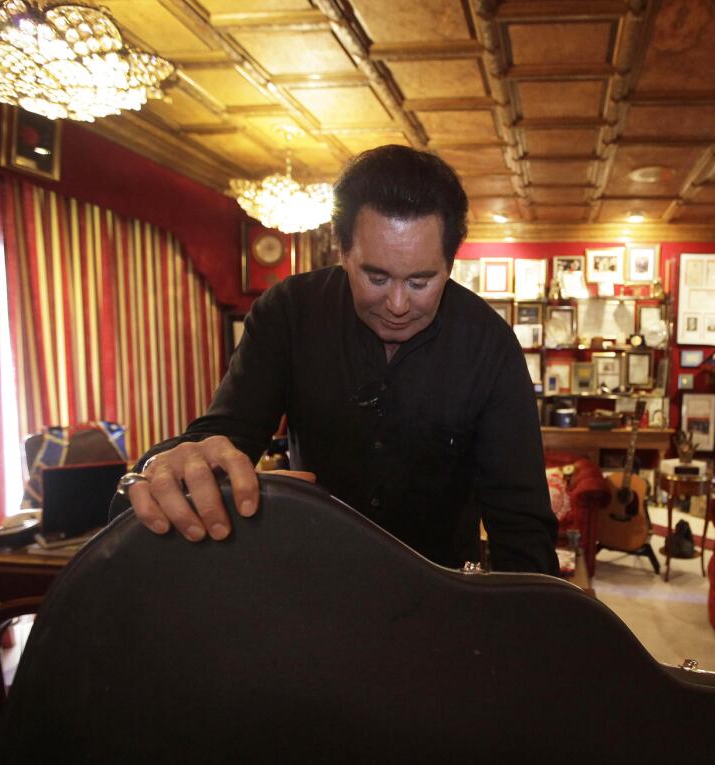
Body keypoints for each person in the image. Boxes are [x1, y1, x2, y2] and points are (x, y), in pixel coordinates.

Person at [114, 145, 558, 575]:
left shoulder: (489, 343)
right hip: (313, 573)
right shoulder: (289, 312)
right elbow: (226, 435)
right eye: (376, 276)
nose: (399, 304)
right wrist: (180, 461)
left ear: (451, 262)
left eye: (421, 281)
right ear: (342, 249)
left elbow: (521, 522)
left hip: (440, 586)